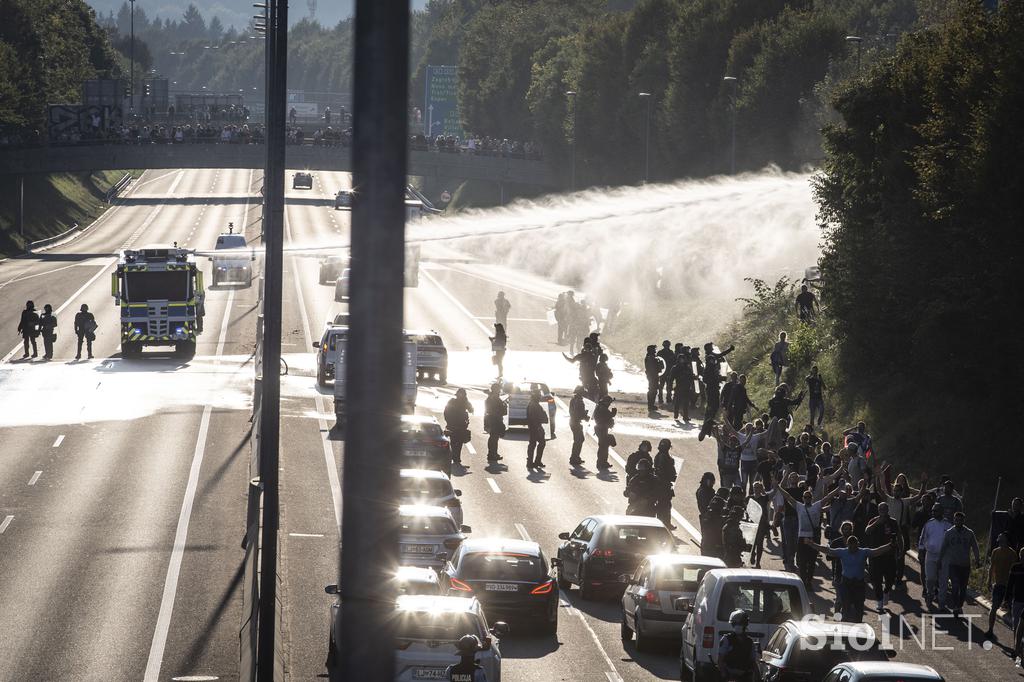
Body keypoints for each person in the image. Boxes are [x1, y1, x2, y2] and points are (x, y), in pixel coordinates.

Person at [804, 534, 893, 623]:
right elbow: (827, 550)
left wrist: (890, 545)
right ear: (847, 545)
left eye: (854, 547)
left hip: (859, 584)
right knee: (845, 606)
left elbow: (877, 551)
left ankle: (858, 623)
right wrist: (812, 544)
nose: (852, 549)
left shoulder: (864, 552)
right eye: (850, 547)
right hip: (846, 583)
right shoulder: (842, 552)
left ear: (858, 544)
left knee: (859, 606)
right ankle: (844, 623)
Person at [778, 485, 842, 590]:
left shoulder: (816, 506)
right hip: (802, 538)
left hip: (813, 538)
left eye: (809, 497)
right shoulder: (799, 506)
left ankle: (809, 581)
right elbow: (788, 497)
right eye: (805, 497)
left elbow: (828, 497)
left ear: (811, 498)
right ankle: (804, 581)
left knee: (811, 562)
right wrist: (779, 487)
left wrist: (838, 489)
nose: (807, 499)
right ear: (803, 498)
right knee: (802, 562)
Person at [938, 511, 981, 618]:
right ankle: (956, 606)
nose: (957, 521)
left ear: (963, 521)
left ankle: (960, 604)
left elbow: (975, 547)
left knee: (963, 588)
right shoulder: (949, 532)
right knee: (955, 585)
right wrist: (939, 559)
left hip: (965, 565)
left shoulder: (969, 533)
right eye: (956, 520)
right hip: (953, 564)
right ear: (954, 520)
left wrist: (977, 559)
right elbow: (943, 547)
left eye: (960, 520)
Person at [864, 502, 902, 612]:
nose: (883, 511)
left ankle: (887, 591)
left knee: (890, 578)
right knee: (876, 580)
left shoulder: (893, 522)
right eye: (881, 509)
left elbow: (899, 536)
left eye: (885, 509)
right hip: (876, 555)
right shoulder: (873, 520)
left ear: (888, 509)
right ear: (878, 510)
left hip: (889, 555)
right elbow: (867, 531)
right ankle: (880, 601)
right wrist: (877, 522)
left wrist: (901, 550)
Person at [918, 503, 951, 607]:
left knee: (943, 580)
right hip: (930, 555)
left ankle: (941, 602)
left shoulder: (948, 525)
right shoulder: (928, 524)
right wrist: (920, 551)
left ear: (941, 511)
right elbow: (922, 538)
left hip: (944, 556)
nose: (933, 513)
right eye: (932, 511)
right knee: (930, 578)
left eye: (935, 511)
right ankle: (930, 593)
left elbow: (951, 541)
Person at [717, 609, 760, 682]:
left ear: (745, 625)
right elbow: (720, 659)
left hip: (745, 676)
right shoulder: (726, 640)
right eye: (735, 623)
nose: (738, 626)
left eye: (741, 623)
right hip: (730, 676)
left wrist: (758, 676)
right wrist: (724, 674)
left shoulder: (749, 642)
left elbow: (753, 661)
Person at [988, 532, 1017, 639]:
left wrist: (1014, 587)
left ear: (1006, 540)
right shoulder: (995, 551)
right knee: (994, 607)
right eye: (999, 539)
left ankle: (1016, 637)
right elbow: (991, 567)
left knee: (1013, 613)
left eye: (1002, 539)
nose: (1000, 541)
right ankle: (990, 630)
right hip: (998, 585)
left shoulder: (1012, 554)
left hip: (1009, 587)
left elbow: (1014, 571)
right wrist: (989, 581)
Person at [443, 388, 473, 468]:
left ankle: (456, 457)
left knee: (458, 442)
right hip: (454, 425)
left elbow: (471, 410)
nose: (461, 397)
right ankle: (455, 457)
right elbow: (446, 412)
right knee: (455, 441)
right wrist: (448, 421)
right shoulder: (452, 401)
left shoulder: (464, 402)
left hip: (460, 425)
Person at [748, 480, 773, 567]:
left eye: (758, 487)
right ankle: (752, 554)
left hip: (762, 524)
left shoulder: (764, 498)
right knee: (752, 542)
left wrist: (776, 484)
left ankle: (758, 562)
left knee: (759, 543)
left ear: (761, 488)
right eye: (755, 487)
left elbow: (774, 492)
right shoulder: (750, 498)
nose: (756, 489)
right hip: (752, 524)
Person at [653, 439, 677, 529]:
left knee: (664, 505)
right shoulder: (662, 456)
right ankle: (664, 524)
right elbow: (661, 471)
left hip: (663, 484)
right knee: (664, 505)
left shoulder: (661, 456)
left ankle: (664, 523)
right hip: (663, 484)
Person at [525, 388, 548, 470]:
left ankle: (535, 461)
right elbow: (533, 418)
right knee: (535, 444)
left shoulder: (535, 404)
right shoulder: (533, 405)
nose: (540, 397)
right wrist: (538, 428)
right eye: (538, 395)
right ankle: (531, 461)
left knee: (537, 443)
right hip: (535, 427)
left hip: (535, 427)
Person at [483, 383, 506, 463]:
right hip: (494, 419)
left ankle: (493, 454)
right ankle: (492, 454)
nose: (500, 391)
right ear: (495, 389)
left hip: (494, 419)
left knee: (494, 438)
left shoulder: (493, 397)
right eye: (498, 389)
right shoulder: (493, 398)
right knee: (494, 438)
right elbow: (491, 410)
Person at [670, 348, 695, 421]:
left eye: (683, 359)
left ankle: (685, 416)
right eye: (681, 359)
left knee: (686, 403)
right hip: (679, 387)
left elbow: (691, 376)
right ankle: (676, 414)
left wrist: (693, 378)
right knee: (677, 402)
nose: (682, 360)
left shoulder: (687, 367)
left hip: (687, 387)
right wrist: (670, 387)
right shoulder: (675, 368)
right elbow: (671, 378)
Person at [568, 386, 589, 467]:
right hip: (576, 422)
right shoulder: (579, 401)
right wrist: (586, 416)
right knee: (579, 440)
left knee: (578, 440)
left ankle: (575, 457)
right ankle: (574, 458)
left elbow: (574, 412)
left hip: (573, 421)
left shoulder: (573, 399)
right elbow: (579, 413)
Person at [592, 396, 615, 469]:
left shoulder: (600, 407)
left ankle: (603, 462)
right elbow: (606, 417)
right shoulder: (602, 408)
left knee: (604, 446)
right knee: (603, 447)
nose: (609, 404)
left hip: (601, 429)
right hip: (601, 429)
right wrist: (612, 414)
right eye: (609, 402)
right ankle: (601, 463)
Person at [644, 345, 663, 412]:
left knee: (653, 390)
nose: (655, 350)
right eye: (654, 349)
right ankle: (650, 405)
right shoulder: (650, 357)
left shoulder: (652, 357)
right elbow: (653, 368)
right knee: (652, 390)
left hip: (653, 375)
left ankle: (651, 405)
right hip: (652, 376)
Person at [656, 340, 675, 405]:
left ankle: (667, 398)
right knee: (662, 386)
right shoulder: (662, 352)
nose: (667, 346)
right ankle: (663, 398)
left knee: (668, 386)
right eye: (666, 345)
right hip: (663, 372)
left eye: (667, 345)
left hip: (667, 371)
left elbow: (673, 362)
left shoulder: (670, 352)